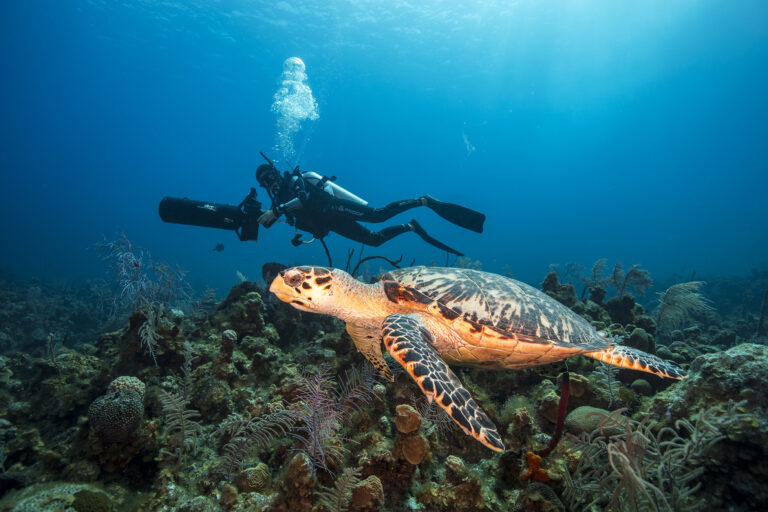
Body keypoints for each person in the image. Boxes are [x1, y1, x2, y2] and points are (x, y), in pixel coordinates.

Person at [254, 163, 485, 256]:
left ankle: (423, 201)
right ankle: (410, 226)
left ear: (276, 171)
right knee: (374, 240)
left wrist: (277, 211)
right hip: (332, 221)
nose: (268, 182)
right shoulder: (280, 202)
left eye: (269, 176)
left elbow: (304, 199)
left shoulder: (294, 182)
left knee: (377, 215)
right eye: (263, 182)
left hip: (333, 206)